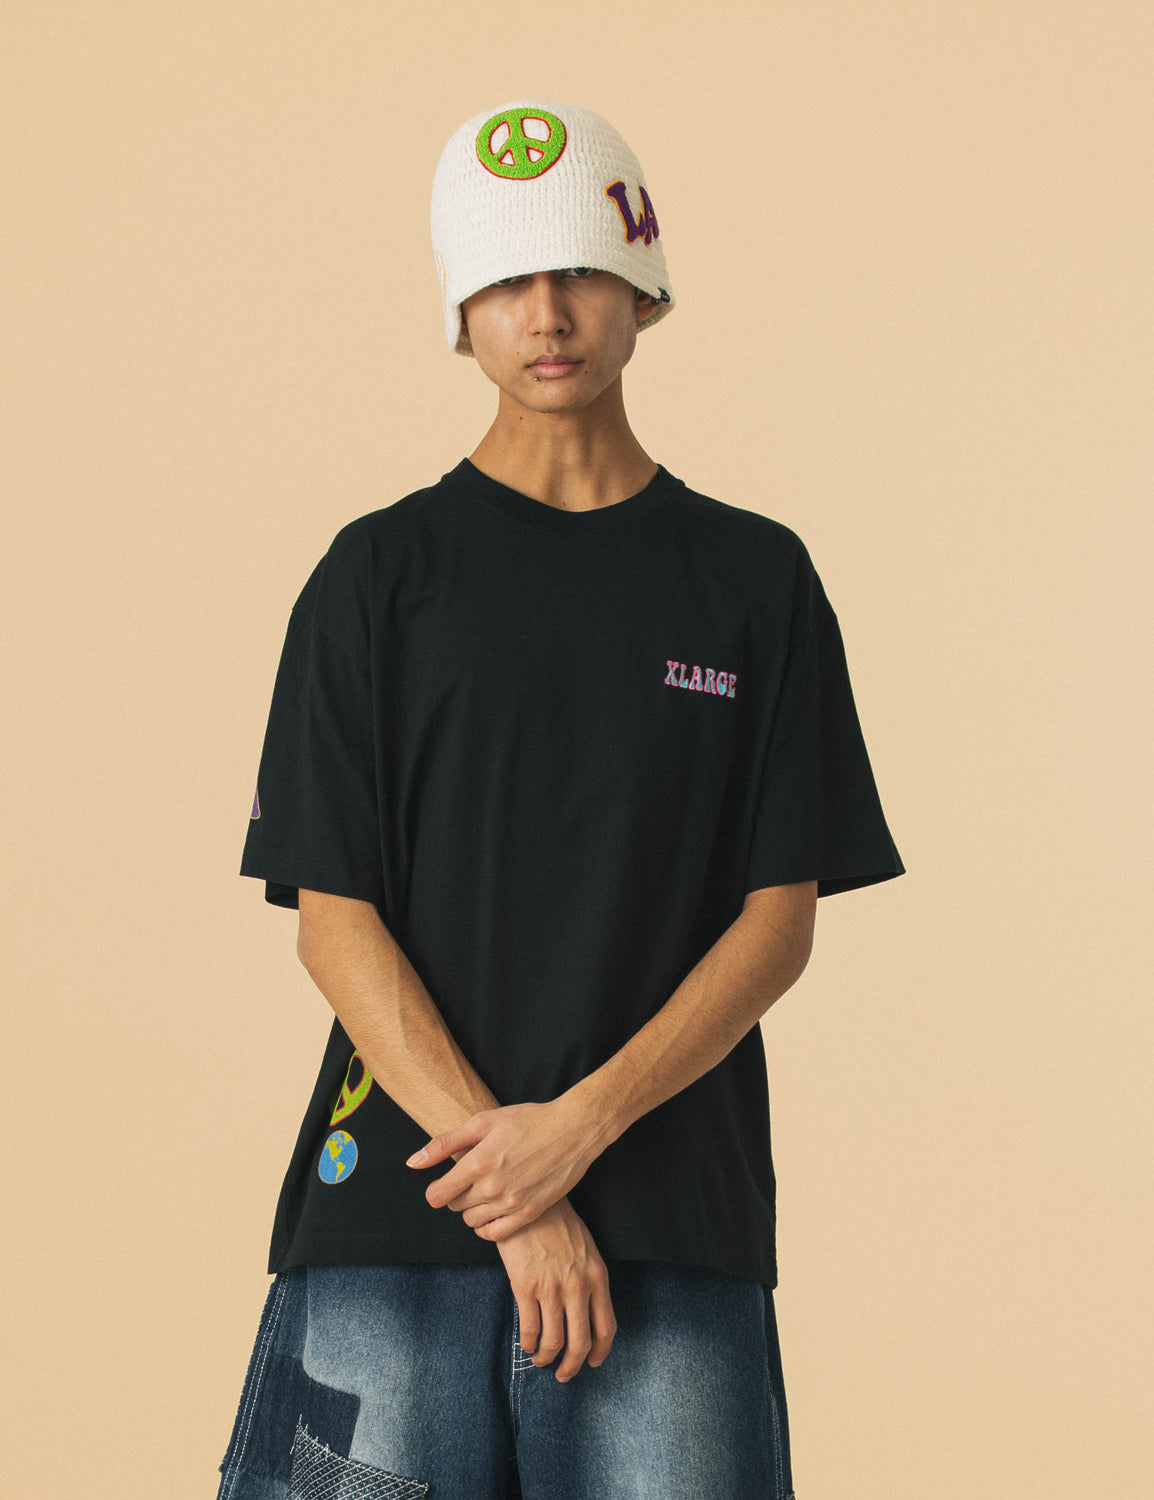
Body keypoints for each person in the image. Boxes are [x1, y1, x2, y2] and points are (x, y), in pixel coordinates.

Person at [215, 97, 905, 1500]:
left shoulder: (753, 582)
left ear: (643, 286)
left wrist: (575, 1131)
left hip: (669, 1222)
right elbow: (333, 923)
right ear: (458, 311)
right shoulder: (375, 580)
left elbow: (776, 923)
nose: (545, 313)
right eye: (503, 278)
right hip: (397, 1224)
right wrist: (515, 1195)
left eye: (580, 269)